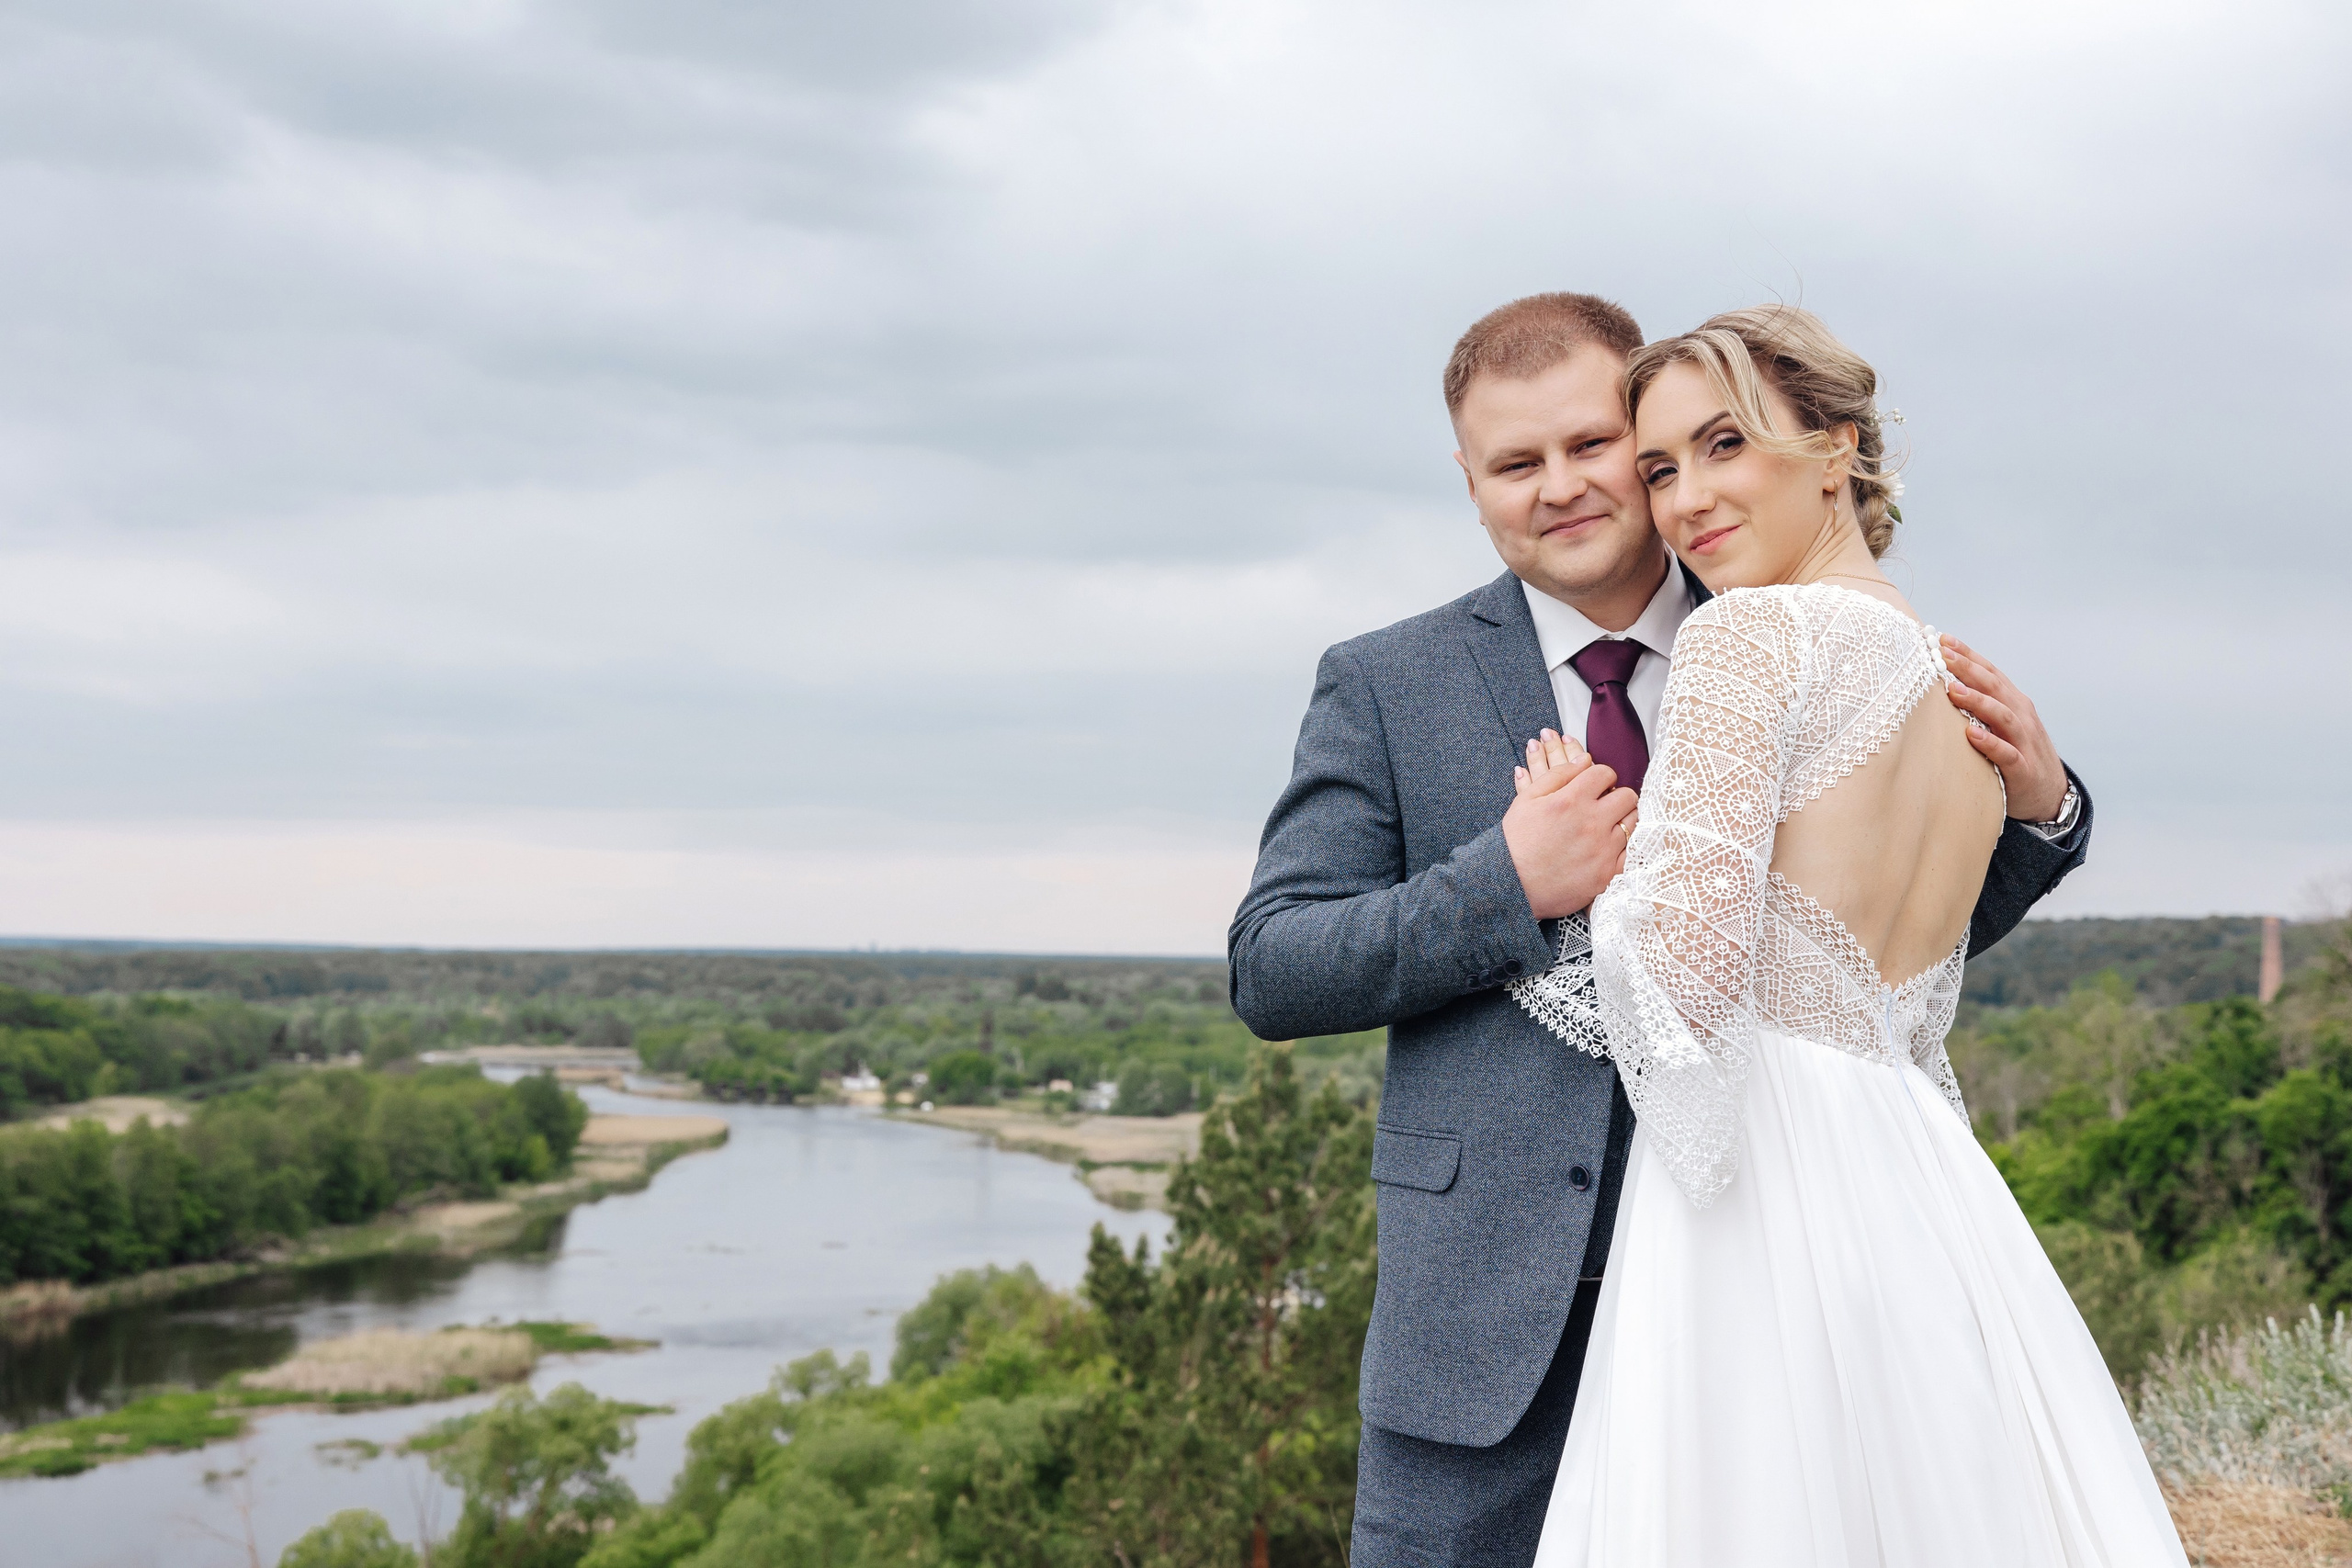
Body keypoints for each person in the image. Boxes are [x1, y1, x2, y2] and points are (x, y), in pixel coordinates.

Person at [1227, 292, 2093, 1568]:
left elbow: (1852, 962)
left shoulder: (1782, 618)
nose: (1564, 487)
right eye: (1517, 464)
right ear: (1470, 485)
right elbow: (1274, 963)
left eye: (1596, 448)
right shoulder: (1384, 682)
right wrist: (1506, 884)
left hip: (1770, 1311)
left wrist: (2047, 815)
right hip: (1483, 1356)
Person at [1510, 307, 2183, 1562]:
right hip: (1918, 1176)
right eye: (1660, 468)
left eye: (1725, 444)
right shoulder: (1963, 690)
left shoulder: (1742, 637)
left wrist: (1571, 880)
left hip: (1764, 1182)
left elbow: (1691, 990)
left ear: (1837, 448)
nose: (1686, 499)